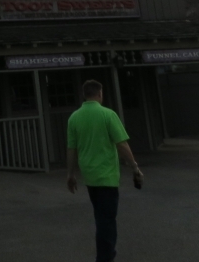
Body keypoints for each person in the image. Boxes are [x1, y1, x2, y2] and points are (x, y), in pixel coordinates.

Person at [66, 79, 143, 262]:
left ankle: (106, 255)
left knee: (101, 216)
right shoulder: (108, 115)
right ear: (100, 94)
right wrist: (134, 167)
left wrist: (70, 174)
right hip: (107, 176)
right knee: (106, 221)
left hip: (89, 176)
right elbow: (122, 144)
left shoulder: (74, 118)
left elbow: (71, 149)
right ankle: (105, 257)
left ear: (84, 95)